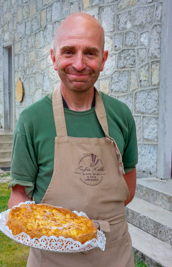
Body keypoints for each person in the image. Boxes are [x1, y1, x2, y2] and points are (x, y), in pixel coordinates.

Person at [8, 12, 138, 267]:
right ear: (54, 57)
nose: (79, 64)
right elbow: (18, 195)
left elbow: (128, 190)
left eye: (90, 53)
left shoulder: (121, 115)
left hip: (113, 254)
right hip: (52, 256)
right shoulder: (31, 120)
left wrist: (91, 227)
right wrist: (59, 228)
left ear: (104, 59)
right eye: (68, 51)